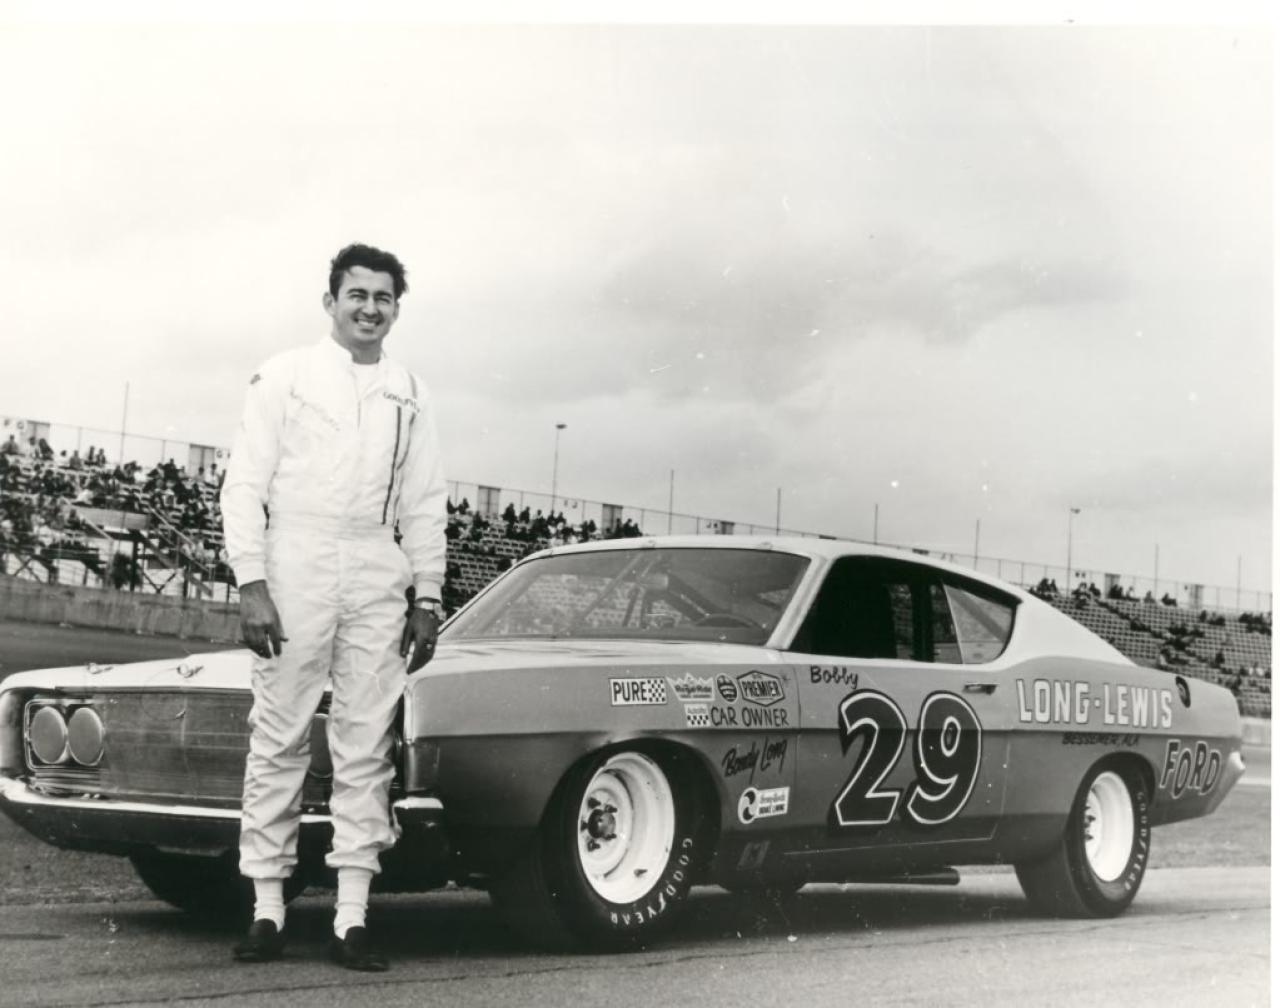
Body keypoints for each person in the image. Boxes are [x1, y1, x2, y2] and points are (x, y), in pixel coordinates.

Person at [220, 243, 447, 972]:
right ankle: (267, 908)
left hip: (376, 564)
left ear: (396, 310)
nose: (369, 309)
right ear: (331, 302)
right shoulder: (285, 375)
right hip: (296, 558)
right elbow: (244, 484)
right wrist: (251, 581)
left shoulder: (410, 392)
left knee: (365, 742)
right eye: (357, 295)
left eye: (383, 298)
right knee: (279, 734)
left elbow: (425, 502)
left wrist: (428, 594)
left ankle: (352, 917)